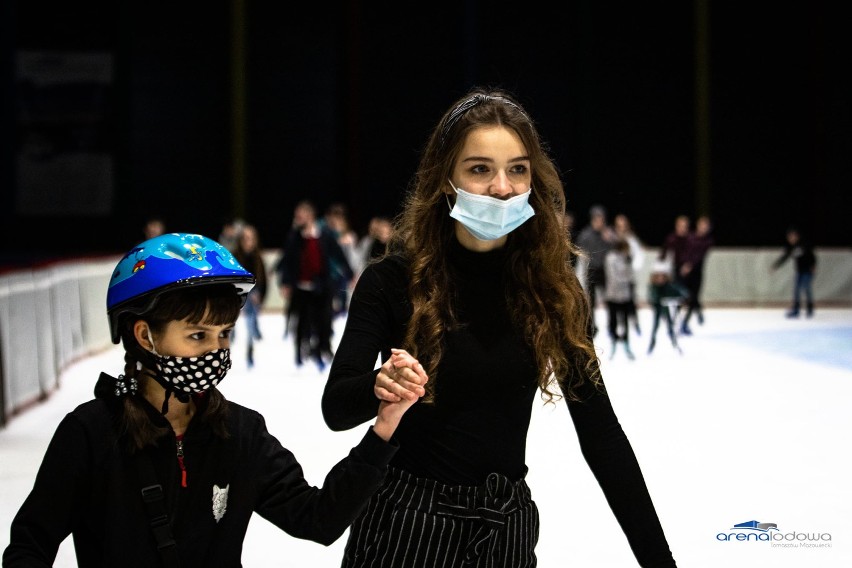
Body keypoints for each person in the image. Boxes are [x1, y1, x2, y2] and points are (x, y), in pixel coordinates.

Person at [321, 88, 676, 567]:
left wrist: (660, 561)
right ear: (447, 179)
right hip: (405, 526)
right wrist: (379, 386)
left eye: (517, 169)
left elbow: (601, 434)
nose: (503, 187)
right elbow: (337, 407)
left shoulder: (553, 292)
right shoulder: (391, 282)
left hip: (505, 529)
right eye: (480, 168)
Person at [2, 232, 423, 567]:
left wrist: (382, 430)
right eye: (197, 335)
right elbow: (29, 546)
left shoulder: (241, 434)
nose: (215, 351)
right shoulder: (90, 434)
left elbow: (318, 518)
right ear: (145, 336)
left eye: (223, 335)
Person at [277, 199, 354, 370]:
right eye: (297, 216)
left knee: (324, 322)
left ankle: (321, 351)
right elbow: (288, 262)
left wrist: (350, 274)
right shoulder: (294, 238)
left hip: (322, 287)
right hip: (301, 288)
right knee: (302, 322)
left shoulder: (324, 235)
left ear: (310, 217)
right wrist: (285, 283)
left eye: (301, 216)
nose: (297, 219)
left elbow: (338, 255)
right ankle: (299, 353)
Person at [575, 204, 617, 336]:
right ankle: (593, 327)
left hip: (606, 271)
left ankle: (612, 327)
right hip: (591, 270)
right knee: (590, 301)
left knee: (611, 299)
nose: (600, 221)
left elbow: (618, 248)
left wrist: (610, 239)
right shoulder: (586, 234)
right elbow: (579, 251)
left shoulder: (608, 233)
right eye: (598, 218)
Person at [232, 223, 268, 367]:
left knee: (250, 323)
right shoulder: (234, 256)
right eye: (245, 238)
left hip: (253, 294)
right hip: (236, 294)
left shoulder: (258, 257)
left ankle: (250, 351)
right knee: (231, 323)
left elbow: (263, 279)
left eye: (251, 238)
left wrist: (260, 296)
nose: (248, 242)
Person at [771, 225, 817, 318]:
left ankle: (809, 308)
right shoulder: (791, 247)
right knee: (796, 290)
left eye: (791, 236)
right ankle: (796, 310)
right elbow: (785, 257)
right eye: (788, 237)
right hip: (799, 272)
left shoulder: (804, 244)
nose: (790, 239)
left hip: (807, 271)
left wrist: (813, 265)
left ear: (796, 235)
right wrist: (776, 266)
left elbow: (812, 255)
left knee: (806, 289)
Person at [680, 215, 714, 333]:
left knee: (694, 297)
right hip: (685, 271)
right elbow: (684, 252)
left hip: (697, 272)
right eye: (702, 225)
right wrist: (684, 264)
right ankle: (697, 311)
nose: (704, 227)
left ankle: (685, 323)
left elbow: (699, 255)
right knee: (687, 298)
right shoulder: (690, 237)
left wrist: (689, 264)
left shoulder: (708, 241)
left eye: (706, 226)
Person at [647, 261, 689, 354]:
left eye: (662, 276)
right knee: (655, 327)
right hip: (658, 309)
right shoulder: (653, 287)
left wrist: (681, 298)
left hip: (667, 309)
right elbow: (652, 297)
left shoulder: (669, 286)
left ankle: (675, 344)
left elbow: (681, 292)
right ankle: (651, 345)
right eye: (658, 276)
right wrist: (657, 300)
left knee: (670, 326)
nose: (660, 279)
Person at [603, 237, 636, 359]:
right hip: (613, 295)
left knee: (625, 321)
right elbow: (613, 276)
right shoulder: (611, 258)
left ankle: (626, 345)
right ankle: (614, 343)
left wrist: (627, 277)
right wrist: (625, 278)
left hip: (625, 295)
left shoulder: (627, 259)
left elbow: (631, 275)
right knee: (613, 321)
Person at [613, 213, 645, 334]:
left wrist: (632, 269)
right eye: (619, 225)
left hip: (628, 276)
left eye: (623, 225)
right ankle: (618, 324)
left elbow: (638, 256)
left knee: (630, 301)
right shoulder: (613, 238)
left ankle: (634, 322)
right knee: (616, 302)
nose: (621, 227)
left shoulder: (632, 239)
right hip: (616, 279)